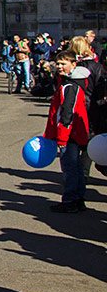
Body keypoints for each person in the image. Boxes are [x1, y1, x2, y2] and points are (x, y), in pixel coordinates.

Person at [44, 50, 92, 213]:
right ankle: (78, 198)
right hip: (74, 133)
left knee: (70, 167)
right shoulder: (69, 82)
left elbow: (67, 114)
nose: (59, 67)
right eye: (58, 63)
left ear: (73, 64)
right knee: (76, 166)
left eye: (63, 64)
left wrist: (62, 138)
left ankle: (71, 200)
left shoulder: (70, 86)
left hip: (70, 134)